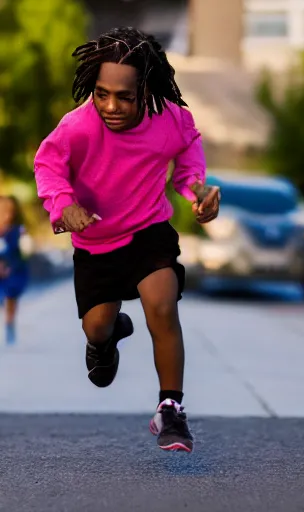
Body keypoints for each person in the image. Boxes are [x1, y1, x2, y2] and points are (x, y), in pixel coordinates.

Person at [33, 27, 220, 453]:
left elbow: (187, 167)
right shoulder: (76, 126)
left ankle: (170, 410)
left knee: (162, 304)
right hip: (95, 240)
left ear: (146, 90)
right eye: (102, 94)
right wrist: (64, 204)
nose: (111, 106)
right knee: (96, 326)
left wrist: (197, 194)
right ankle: (109, 335)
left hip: (147, 231)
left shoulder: (172, 119)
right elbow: (48, 165)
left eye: (125, 96)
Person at [0, 196, 30, 345]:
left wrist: (10, 267)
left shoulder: (18, 230)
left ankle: (9, 323)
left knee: (11, 299)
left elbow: (25, 251)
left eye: (8, 211)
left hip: (14, 271)